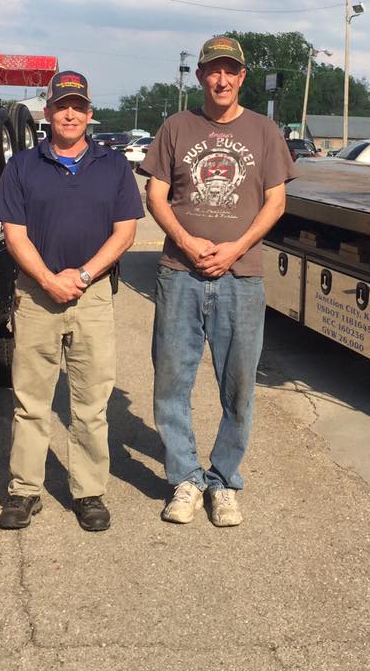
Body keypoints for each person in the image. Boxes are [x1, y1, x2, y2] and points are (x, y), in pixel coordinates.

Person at [140, 35, 296, 526]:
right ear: (201, 76)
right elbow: (156, 194)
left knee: (239, 385)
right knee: (171, 380)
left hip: (241, 276)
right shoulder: (176, 126)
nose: (222, 79)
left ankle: (224, 479)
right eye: (213, 70)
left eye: (231, 71)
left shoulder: (265, 131)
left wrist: (236, 247)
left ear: (242, 77)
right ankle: (185, 479)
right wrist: (186, 242)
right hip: (180, 274)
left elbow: (276, 201)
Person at [0, 71, 144, 532]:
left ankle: (89, 492)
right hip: (37, 295)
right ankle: (24, 491)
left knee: (90, 400)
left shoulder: (114, 166)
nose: (70, 113)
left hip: (92, 294)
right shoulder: (22, 165)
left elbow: (126, 231)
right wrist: (47, 279)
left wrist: (81, 275)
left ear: (90, 114)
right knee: (32, 400)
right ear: (49, 112)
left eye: (78, 106)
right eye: (62, 106)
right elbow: (13, 233)